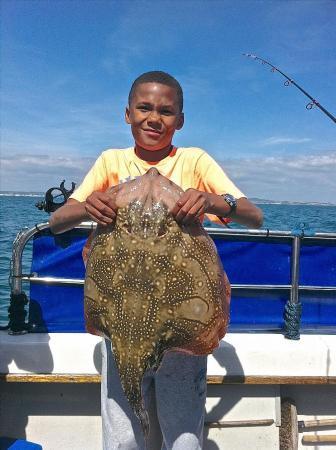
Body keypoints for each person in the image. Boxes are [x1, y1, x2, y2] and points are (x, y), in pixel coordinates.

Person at [49, 71, 263, 450]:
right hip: (122, 327)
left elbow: (253, 215)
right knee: (124, 436)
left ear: (179, 120)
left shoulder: (194, 160)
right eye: (144, 108)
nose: (153, 118)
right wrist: (86, 205)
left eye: (166, 111)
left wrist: (213, 201)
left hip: (179, 332)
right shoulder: (110, 160)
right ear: (127, 113)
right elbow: (58, 221)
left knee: (182, 436)